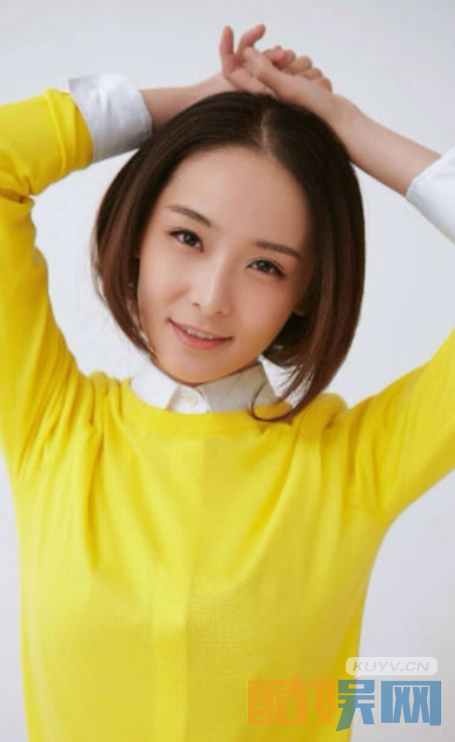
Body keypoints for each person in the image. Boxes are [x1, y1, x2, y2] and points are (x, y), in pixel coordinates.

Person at [0, 21, 453, 742]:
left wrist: (345, 127)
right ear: (139, 232)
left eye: (266, 265)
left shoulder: (353, 465)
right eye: (187, 237)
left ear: (306, 291)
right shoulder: (52, 425)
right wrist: (191, 104)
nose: (211, 298)